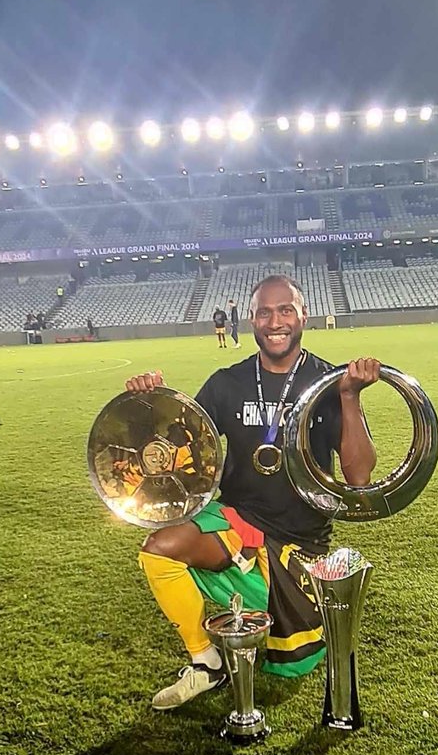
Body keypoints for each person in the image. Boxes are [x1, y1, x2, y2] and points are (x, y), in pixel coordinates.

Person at [126, 273, 379, 711]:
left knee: (298, 655)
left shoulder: (328, 383)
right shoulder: (228, 382)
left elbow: (358, 476)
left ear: (303, 316)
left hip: (299, 541)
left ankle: (282, 606)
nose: (275, 321)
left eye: (285, 310)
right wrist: (152, 402)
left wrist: (351, 397)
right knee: (158, 547)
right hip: (235, 521)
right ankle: (206, 663)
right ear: (252, 319)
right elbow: (177, 446)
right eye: (265, 312)